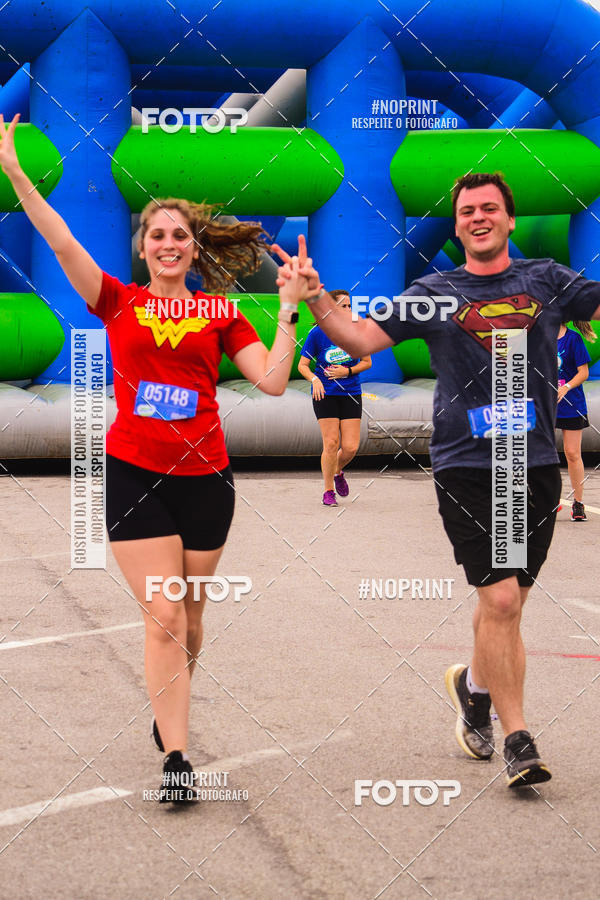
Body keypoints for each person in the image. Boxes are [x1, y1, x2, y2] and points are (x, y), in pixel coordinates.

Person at [0, 112, 317, 803]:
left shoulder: (221, 315)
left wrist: (289, 309)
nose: (169, 243)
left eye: (180, 235)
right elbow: (59, 243)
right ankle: (177, 758)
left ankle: (165, 710)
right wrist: (18, 176)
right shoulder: (117, 301)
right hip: (134, 473)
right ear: (143, 250)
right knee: (166, 616)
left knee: (192, 621)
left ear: (193, 249)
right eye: (157, 235)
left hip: (208, 481)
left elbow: (269, 381)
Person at [273, 172, 600, 788]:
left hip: (531, 463)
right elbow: (357, 336)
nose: (478, 217)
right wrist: (314, 295)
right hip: (468, 464)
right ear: (457, 225)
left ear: (508, 219)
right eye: (467, 211)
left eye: (490, 209)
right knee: (501, 599)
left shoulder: (549, 279)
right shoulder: (434, 292)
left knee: (505, 605)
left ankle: (473, 689)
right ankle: (520, 739)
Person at [298, 289, 371, 506]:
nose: (348, 310)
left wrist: (346, 372)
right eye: (343, 306)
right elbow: (302, 366)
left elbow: (367, 362)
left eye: (350, 306)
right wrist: (315, 380)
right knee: (331, 443)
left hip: (351, 392)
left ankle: (338, 470)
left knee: (350, 447)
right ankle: (328, 490)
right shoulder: (318, 334)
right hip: (325, 393)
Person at [556, 321, 594, 521]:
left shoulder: (573, 338)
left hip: (571, 404)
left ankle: (578, 504)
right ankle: (548, 500)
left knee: (572, 453)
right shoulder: (536, 336)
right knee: (541, 453)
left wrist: (566, 387)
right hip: (543, 405)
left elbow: (584, 372)